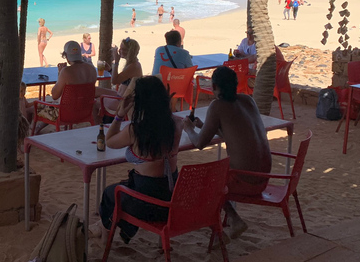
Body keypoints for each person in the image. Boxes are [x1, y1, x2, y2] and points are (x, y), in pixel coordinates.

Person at [92, 76, 184, 245]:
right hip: (171, 200)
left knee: (109, 194)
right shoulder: (177, 124)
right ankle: (126, 230)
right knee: (125, 187)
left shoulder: (135, 130)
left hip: (146, 204)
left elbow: (109, 141)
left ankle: (106, 241)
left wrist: (119, 114)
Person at [183, 66, 271, 239]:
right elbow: (236, 135)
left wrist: (189, 129)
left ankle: (229, 223)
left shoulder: (217, 105)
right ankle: (231, 218)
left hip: (245, 181)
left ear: (214, 86)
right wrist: (205, 126)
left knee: (203, 182)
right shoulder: (248, 100)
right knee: (214, 178)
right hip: (264, 179)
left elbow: (200, 143)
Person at [35, 41, 97, 130]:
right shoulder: (92, 69)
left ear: (66, 57)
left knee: (37, 106)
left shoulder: (66, 72)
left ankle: (33, 130)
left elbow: (55, 95)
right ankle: (40, 127)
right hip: (85, 112)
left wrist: (60, 74)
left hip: (66, 114)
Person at [94, 38, 142, 123]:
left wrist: (116, 62)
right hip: (122, 96)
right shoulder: (134, 64)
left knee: (94, 102)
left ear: (129, 52)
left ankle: (98, 128)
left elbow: (114, 81)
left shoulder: (133, 66)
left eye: (123, 49)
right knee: (94, 90)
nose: (119, 51)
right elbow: (121, 79)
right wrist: (110, 70)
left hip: (122, 101)